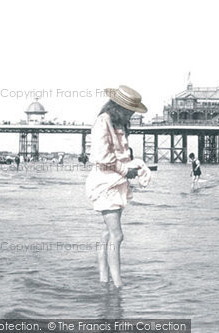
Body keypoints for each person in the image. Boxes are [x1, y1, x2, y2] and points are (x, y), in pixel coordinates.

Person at [85, 85, 147, 288]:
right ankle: (118, 284)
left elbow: (119, 155)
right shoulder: (103, 122)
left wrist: (133, 165)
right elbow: (101, 158)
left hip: (115, 182)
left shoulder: (116, 122)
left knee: (107, 233)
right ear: (119, 107)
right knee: (117, 235)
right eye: (129, 110)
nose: (131, 114)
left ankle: (104, 279)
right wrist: (125, 170)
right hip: (106, 182)